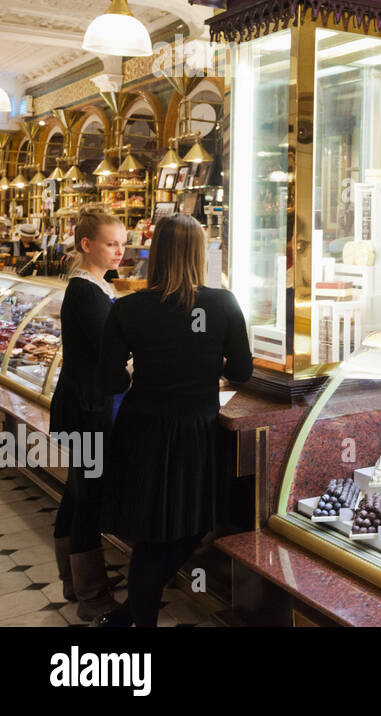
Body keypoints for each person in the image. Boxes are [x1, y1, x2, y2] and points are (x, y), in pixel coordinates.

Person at [96, 214, 253, 627]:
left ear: (156, 253)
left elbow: (108, 376)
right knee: (187, 530)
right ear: (201, 254)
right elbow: (242, 370)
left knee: (150, 532)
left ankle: (132, 614)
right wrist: (203, 365)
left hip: (142, 428)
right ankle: (136, 618)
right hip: (195, 432)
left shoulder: (128, 308)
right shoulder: (223, 304)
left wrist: (142, 372)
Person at [50, 205, 126, 619]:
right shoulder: (86, 292)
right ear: (87, 244)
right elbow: (110, 358)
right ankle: (92, 598)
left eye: (122, 244)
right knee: (88, 498)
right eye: (111, 244)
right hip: (87, 409)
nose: (119, 252)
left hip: (79, 405)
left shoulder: (95, 285)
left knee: (77, 492)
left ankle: (73, 580)